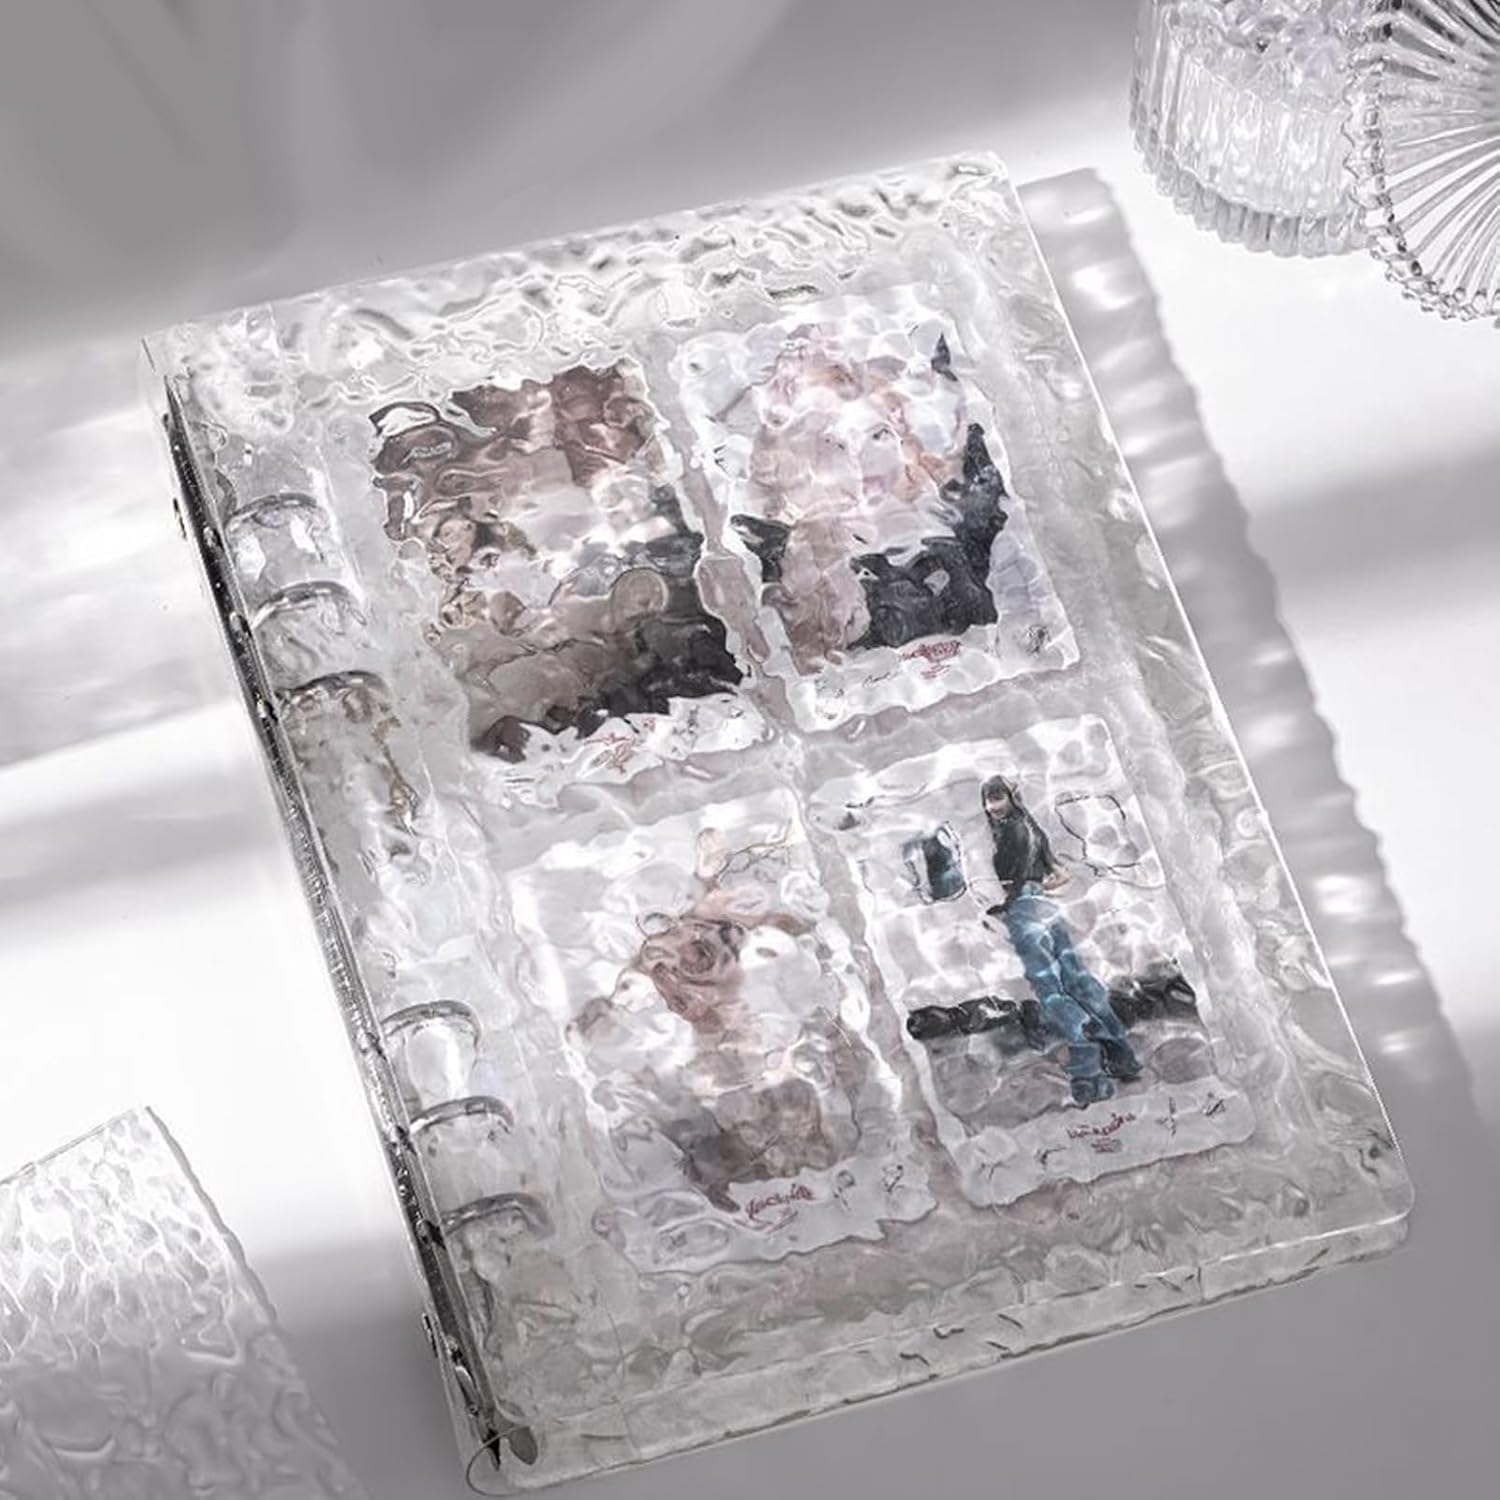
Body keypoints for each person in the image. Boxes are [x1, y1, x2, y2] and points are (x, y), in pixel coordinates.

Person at [981, 773, 1142, 1106]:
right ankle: (1123, 1056)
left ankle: (1088, 1070)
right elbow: (1063, 874)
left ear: (1010, 796)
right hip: (1047, 908)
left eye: (996, 797)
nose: (990, 806)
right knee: (1078, 980)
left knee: (1050, 991)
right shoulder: (1033, 829)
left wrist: (1009, 905)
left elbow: (1017, 879)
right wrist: (1035, 888)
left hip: (1024, 910)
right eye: (988, 799)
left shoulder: (1009, 831)